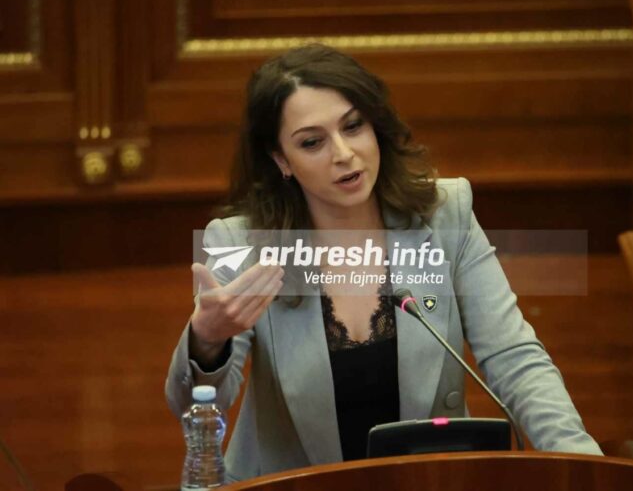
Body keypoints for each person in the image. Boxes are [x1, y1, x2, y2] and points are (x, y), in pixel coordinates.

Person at [165, 44, 602, 482]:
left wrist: (585, 468)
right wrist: (208, 341)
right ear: (281, 159)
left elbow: (514, 359)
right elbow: (192, 407)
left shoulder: (446, 215)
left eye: (353, 126)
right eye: (312, 142)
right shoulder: (241, 244)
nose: (343, 153)